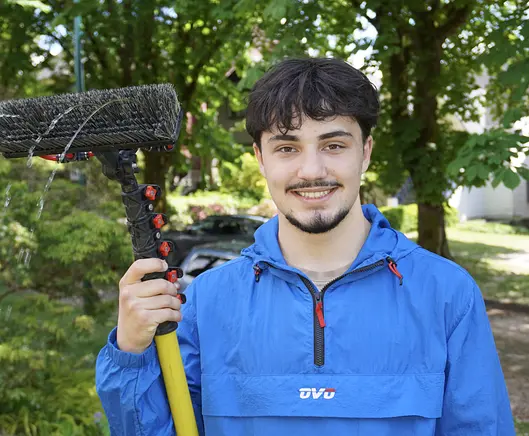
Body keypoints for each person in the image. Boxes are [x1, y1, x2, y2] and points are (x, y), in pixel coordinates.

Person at [95, 57, 515, 436]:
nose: (311, 170)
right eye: (287, 147)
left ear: (365, 153)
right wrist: (131, 352)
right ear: (261, 158)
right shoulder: (206, 304)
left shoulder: (446, 295)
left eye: (334, 145)